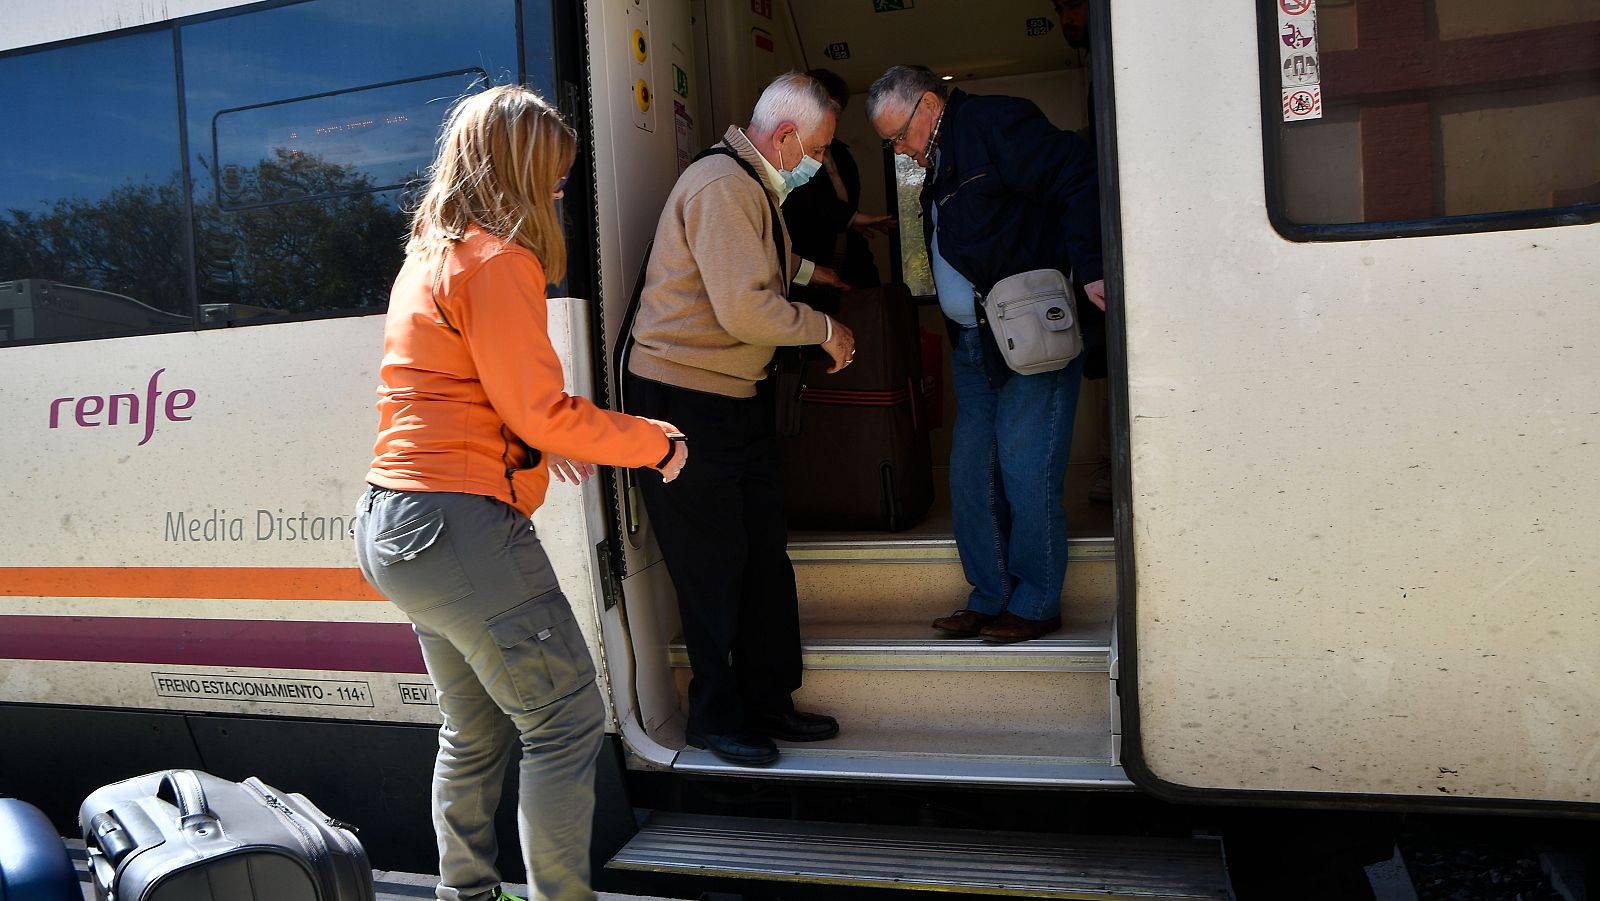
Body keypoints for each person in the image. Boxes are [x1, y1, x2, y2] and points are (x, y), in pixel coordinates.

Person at [352, 84, 688, 901]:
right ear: (519, 171)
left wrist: (541, 440)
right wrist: (654, 442)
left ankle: (464, 892)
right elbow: (537, 408)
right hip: (459, 525)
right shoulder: (500, 260)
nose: (562, 189)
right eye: (555, 174)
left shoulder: (430, 255)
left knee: (472, 729)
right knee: (566, 721)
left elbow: (474, 399)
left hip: (394, 521)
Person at [624, 72, 856, 766]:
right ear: (785, 137)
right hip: (685, 401)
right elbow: (746, 307)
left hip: (731, 397)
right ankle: (716, 717)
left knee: (761, 554)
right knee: (714, 563)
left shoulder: (751, 184)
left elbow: (770, 259)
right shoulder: (724, 185)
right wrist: (824, 330)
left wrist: (814, 275)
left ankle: (767, 699)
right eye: (818, 149)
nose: (817, 162)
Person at [867, 65, 1105, 644]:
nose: (900, 149)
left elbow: (1077, 174)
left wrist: (1095, 268)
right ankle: (991, 595)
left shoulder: (996, 121)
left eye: (900, 135)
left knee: (1027, 469)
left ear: (927, 106)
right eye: (891, 144)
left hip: (1028, 335)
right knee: (972, 474)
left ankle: (1037, 601)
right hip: (973, 343)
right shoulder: (941, 157)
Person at [781, 68, 896, 315]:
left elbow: (847, 200)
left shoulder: (842, 154)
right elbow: (801, 200)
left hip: (847, 258)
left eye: (837, 110)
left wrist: (852, 220)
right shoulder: (790, 151)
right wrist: (851, 217)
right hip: (808, 260)